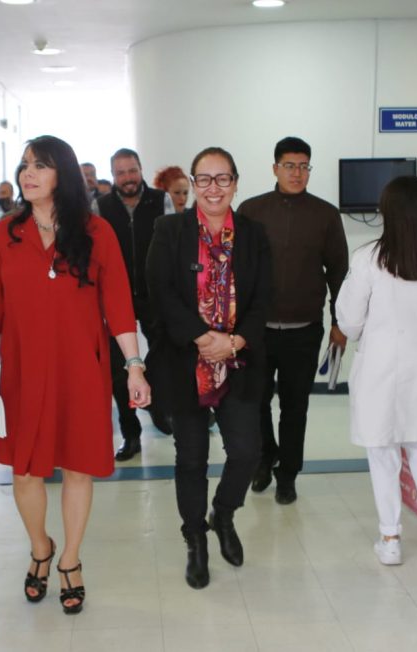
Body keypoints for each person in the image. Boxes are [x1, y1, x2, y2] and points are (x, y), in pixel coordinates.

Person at [0, 135, 151, 614]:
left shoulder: (96, 232)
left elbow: (119, 305)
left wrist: (134, 366)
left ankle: (70, 558)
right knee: (25, 470)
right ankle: (40, 547)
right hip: (23, 371)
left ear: (62, 174)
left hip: (80, 370)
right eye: (25, 165)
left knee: (77, 467)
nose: (27, 173)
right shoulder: (7, 233)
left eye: (40, 165)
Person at [146, 147, 270, 589]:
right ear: (193, 184)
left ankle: (224, 513)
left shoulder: (254, 234)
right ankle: (195, 539)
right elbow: (159, 292)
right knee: (191, 457)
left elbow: (264, 297)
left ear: (235, 182)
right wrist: (203, 338)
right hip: (184, 361)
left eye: (222, 179)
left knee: (247, 452)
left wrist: (234, 342)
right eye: (204, 179)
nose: (213, 188)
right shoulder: (169, 230)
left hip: (238, 361)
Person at [335, 175, 417, 565]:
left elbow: (350, 323)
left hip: (381, 374)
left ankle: (390, 539)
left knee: (383, 454)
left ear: (387, 213)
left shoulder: (368, 259)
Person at [238, 136, 349, 505]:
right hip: (257, 330)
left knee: (295, 406)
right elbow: (238, 269)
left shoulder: (325, 214)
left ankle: (288, 474)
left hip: (304, 330)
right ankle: (264, 457)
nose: (297, 173)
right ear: (275, 168)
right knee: (254, 402)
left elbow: (339, 271)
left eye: (303, 166)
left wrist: (339, 322)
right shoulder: (251, 210)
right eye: (289, 166)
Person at [97, 148, 175, 461]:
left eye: (132, 171)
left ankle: (157, 405)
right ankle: (131, 435)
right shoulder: (100, 206)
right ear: (113, 176)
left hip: (155, 294)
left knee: (164, 354)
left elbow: (172, 246)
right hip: (115, 298)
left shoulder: (161, 200)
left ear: (141, 169)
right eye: (120, 173)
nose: (127, 178)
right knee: (118, 371)